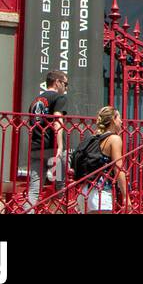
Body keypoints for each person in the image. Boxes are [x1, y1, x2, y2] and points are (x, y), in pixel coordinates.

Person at [25, 70, 68, 211]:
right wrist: (60, 147)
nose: (66, 88)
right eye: (65, 84)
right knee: (60, 186)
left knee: (34, 190)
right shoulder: (58, 98)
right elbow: (57, 121)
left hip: (36, 149)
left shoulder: (35, 100)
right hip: (52, 149)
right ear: (57, 82)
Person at [75, 106, 130, 214]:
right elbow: (118, 168)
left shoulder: (93, 138)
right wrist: (125, 196)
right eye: (119, 118)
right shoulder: (114, 139)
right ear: (113, 120)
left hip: (84, 193)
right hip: (100, 195)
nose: (121, 122)